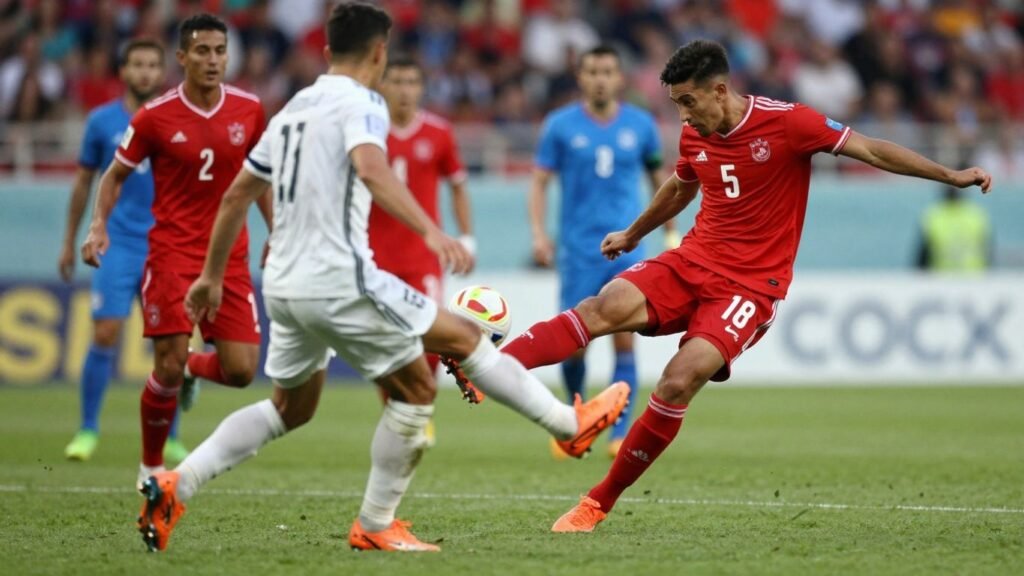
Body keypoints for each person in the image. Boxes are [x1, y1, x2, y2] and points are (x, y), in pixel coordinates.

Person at [135, 2, 629, 554]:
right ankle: (565, 426)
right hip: (338, 276)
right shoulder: (363, 102)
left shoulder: (293, 108)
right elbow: (372, 167)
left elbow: (236, 196)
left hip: (283, 282)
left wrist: (208, 277)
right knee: (448, 355)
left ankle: (176, 483)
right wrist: (432, 231)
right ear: (379, 52)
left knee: (290, 408)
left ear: (326, 52)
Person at [500, 39, 992, 533]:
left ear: (719, 90)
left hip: (750, 286)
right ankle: (493, 367)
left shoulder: (788, 123)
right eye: (676, 105)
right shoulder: (695, 133)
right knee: (600, 307)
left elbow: (869, 149)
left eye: (688, 102)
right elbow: (680, 186)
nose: (684, 116)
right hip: (692, 260)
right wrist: (634, 233)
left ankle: (596, 504)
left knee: (677, 381)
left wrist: (949, 175)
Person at [81, 14, 271, 490]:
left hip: (228, 256)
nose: (213, 60)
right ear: (182, 58)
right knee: (164, 362)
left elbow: (260, 178)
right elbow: (114, 175)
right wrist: (98, 224)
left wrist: (278, 233)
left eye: (220, 51)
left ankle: (192, 367)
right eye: (202, 51)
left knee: (242, 370)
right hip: (172, 254)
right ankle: (149, 469)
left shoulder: (249, 110)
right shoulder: (154, 116)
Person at [530, 44, 676, 458]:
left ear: (619, 78)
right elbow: (539, 183)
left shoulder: (641, 125)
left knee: (625, 337)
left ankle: (618, 432)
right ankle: (576, 423)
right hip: (578, 250)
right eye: (592, 71)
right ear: (581, 77)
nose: (599, 78)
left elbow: (661, 181)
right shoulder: (559, 126)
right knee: (575, 345)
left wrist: (670, 232)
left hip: (628, 248)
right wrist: (540, 234)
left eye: (607, 71)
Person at [59, 40, 191, 464]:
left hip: (167, 245)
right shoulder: (102, 123)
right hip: (119, 242)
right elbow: (85, 183)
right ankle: (87, 429)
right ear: (124, 70)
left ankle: (170, 435)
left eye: (154, 64)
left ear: (162, 71)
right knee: (105, 333)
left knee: (170, 346)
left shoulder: (178, 119)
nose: (147, 72)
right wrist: (70, 239)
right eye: (138, 64)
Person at [369, 55, 476, 443]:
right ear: (383, 86)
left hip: (422, 257)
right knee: (384, 341)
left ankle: (420, 410)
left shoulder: (439, 132)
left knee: (430, 336)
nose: (403, 89)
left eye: (411, 81)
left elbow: (459, 186)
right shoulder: (368, 132)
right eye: (396, 81)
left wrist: (466, 238)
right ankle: (398, 414)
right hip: (374, 255)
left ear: (421, 87)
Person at [916, 185, 993, 273]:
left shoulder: (933, 215)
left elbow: (922, 257)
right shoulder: (977, 215)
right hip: (973, 278)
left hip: (942, 278)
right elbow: (988, 252)